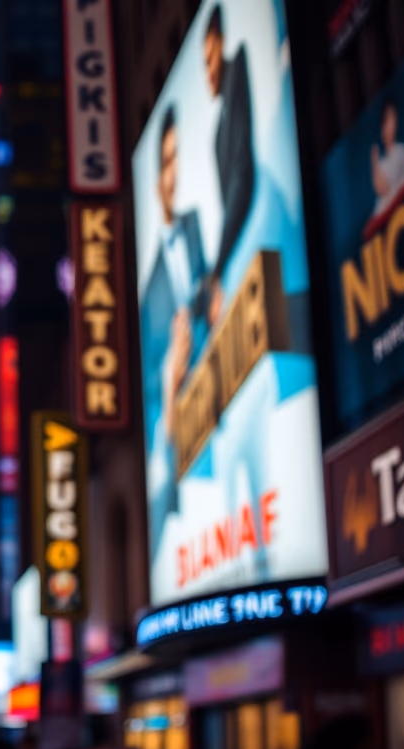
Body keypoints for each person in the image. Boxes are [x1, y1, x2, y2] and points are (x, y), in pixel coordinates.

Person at [141, 105, 213, 550]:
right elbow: (151, 382)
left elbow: (206, 288)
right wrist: (170, 373)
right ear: (155, 179)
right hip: (184, 430)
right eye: (165, 162)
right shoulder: (149, 292)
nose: (174, 173)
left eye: (176, 158)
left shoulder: (193, 225)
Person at [202, 3, 255, 279]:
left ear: (221, 44)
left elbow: (241, 175)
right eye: (204, 64)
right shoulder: (216, 136)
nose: (207, 73)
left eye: (210, 59)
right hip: (241, 258)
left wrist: (218, 266)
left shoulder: (238, 67)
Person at [371, 99, 404, 216]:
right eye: (389, 120)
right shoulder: (382, 163)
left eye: (393, 118)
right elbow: (381, 188)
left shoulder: (401, 150)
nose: (392, 124)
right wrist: (374, 161)